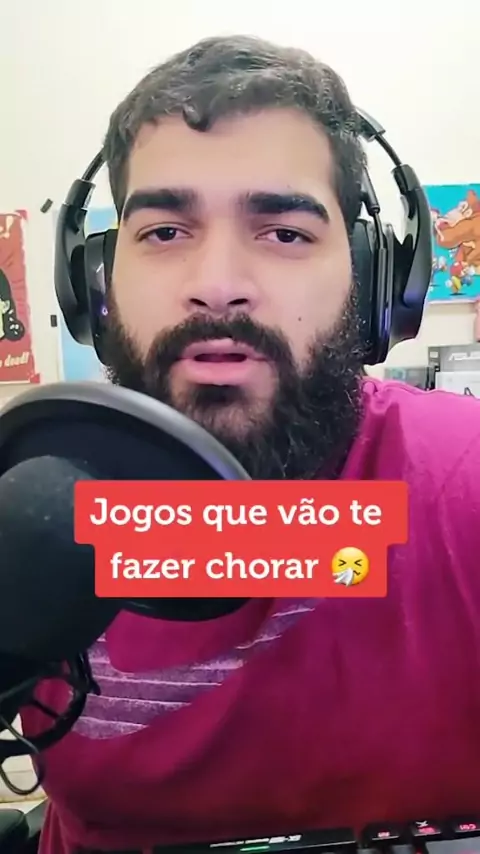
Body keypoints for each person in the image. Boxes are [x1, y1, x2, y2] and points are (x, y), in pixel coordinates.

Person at [21, 34, 480, 854]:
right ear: (95, 282)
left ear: (374, 279)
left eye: (285, 233)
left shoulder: (467, 484)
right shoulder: (31, 498)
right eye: (165, 232)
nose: (218, 283)